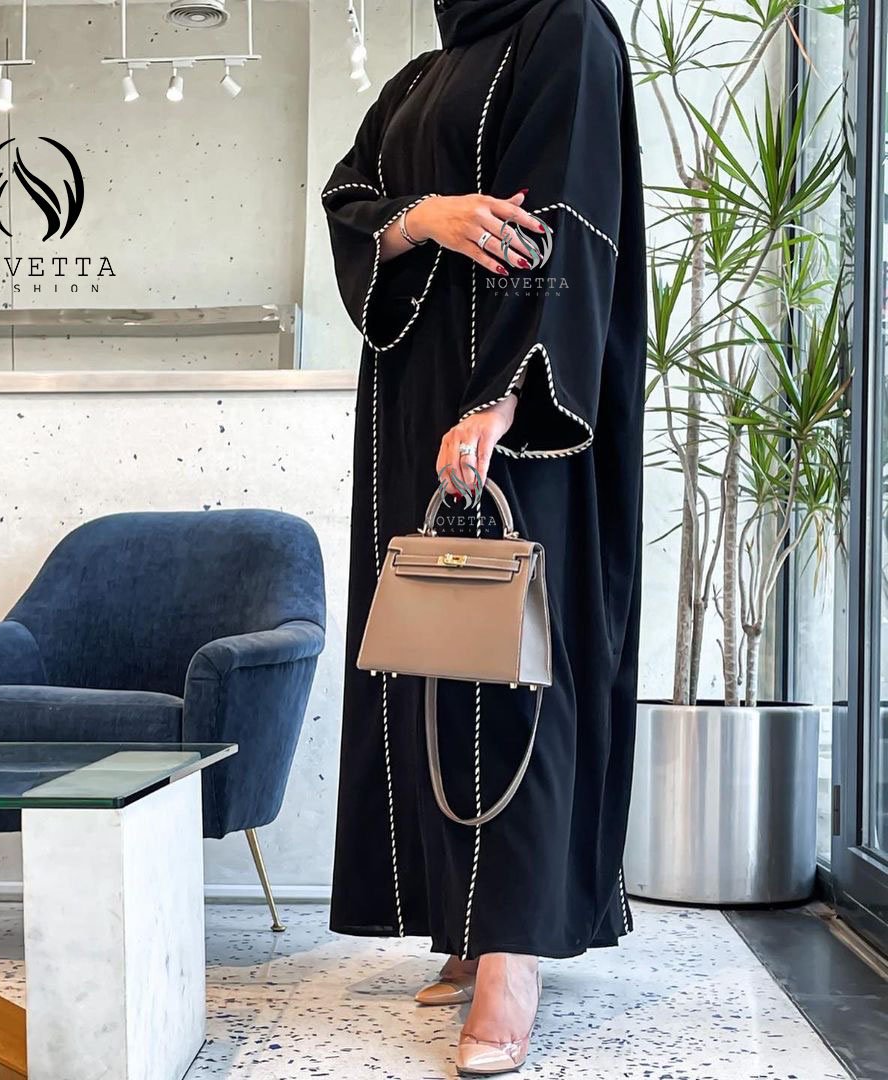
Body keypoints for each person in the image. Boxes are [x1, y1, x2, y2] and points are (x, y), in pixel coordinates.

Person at [323, 0, 647, 1074]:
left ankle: (514, 953)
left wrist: (507, 398)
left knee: (517, 675)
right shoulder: (419, 76)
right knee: (433, 660)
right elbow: (351, 199)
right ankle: (462, 925)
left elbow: (573, 217)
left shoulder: (568, 29)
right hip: (412, 401)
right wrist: (430, 216)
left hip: (517, 414)